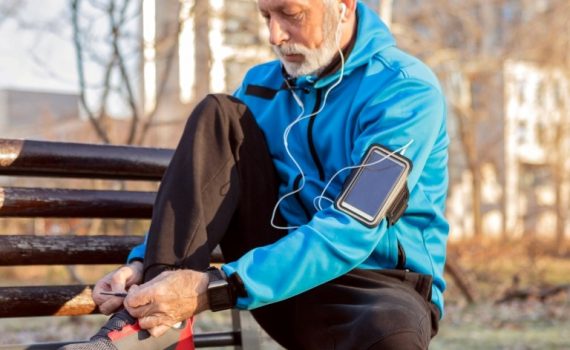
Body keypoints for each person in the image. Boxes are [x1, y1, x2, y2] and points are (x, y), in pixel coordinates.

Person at [62, 0, 449, 349]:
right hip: (278, 285)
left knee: (390, 336)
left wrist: (219, 286)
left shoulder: (404, 92)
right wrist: (142, 265)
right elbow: (203, 185)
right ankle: (151, 324)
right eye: (266, 15)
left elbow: (355, 224)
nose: (274, 35)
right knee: (219, 114)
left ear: (343, 6)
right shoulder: (260, 87)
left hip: (373, 290)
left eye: (290, 14)